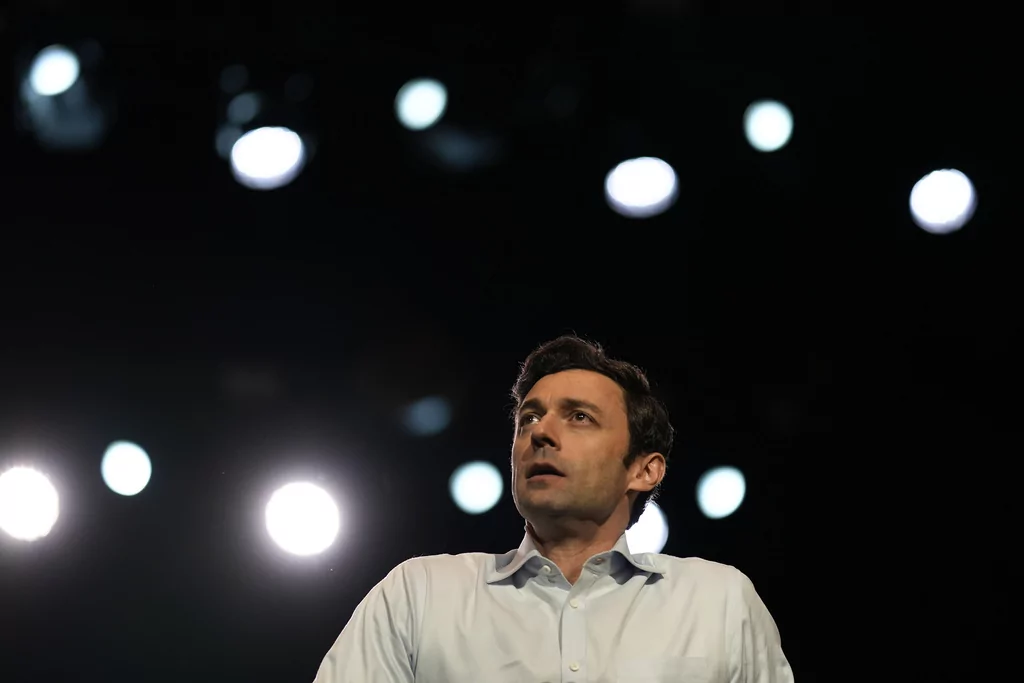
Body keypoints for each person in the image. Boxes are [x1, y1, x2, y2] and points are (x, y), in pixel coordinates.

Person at [313, 335, 794, 682]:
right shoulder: (419, 596)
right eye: (529, 418)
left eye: (579, 417)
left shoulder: (719, 602)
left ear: (644, 470)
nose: (540, 432)